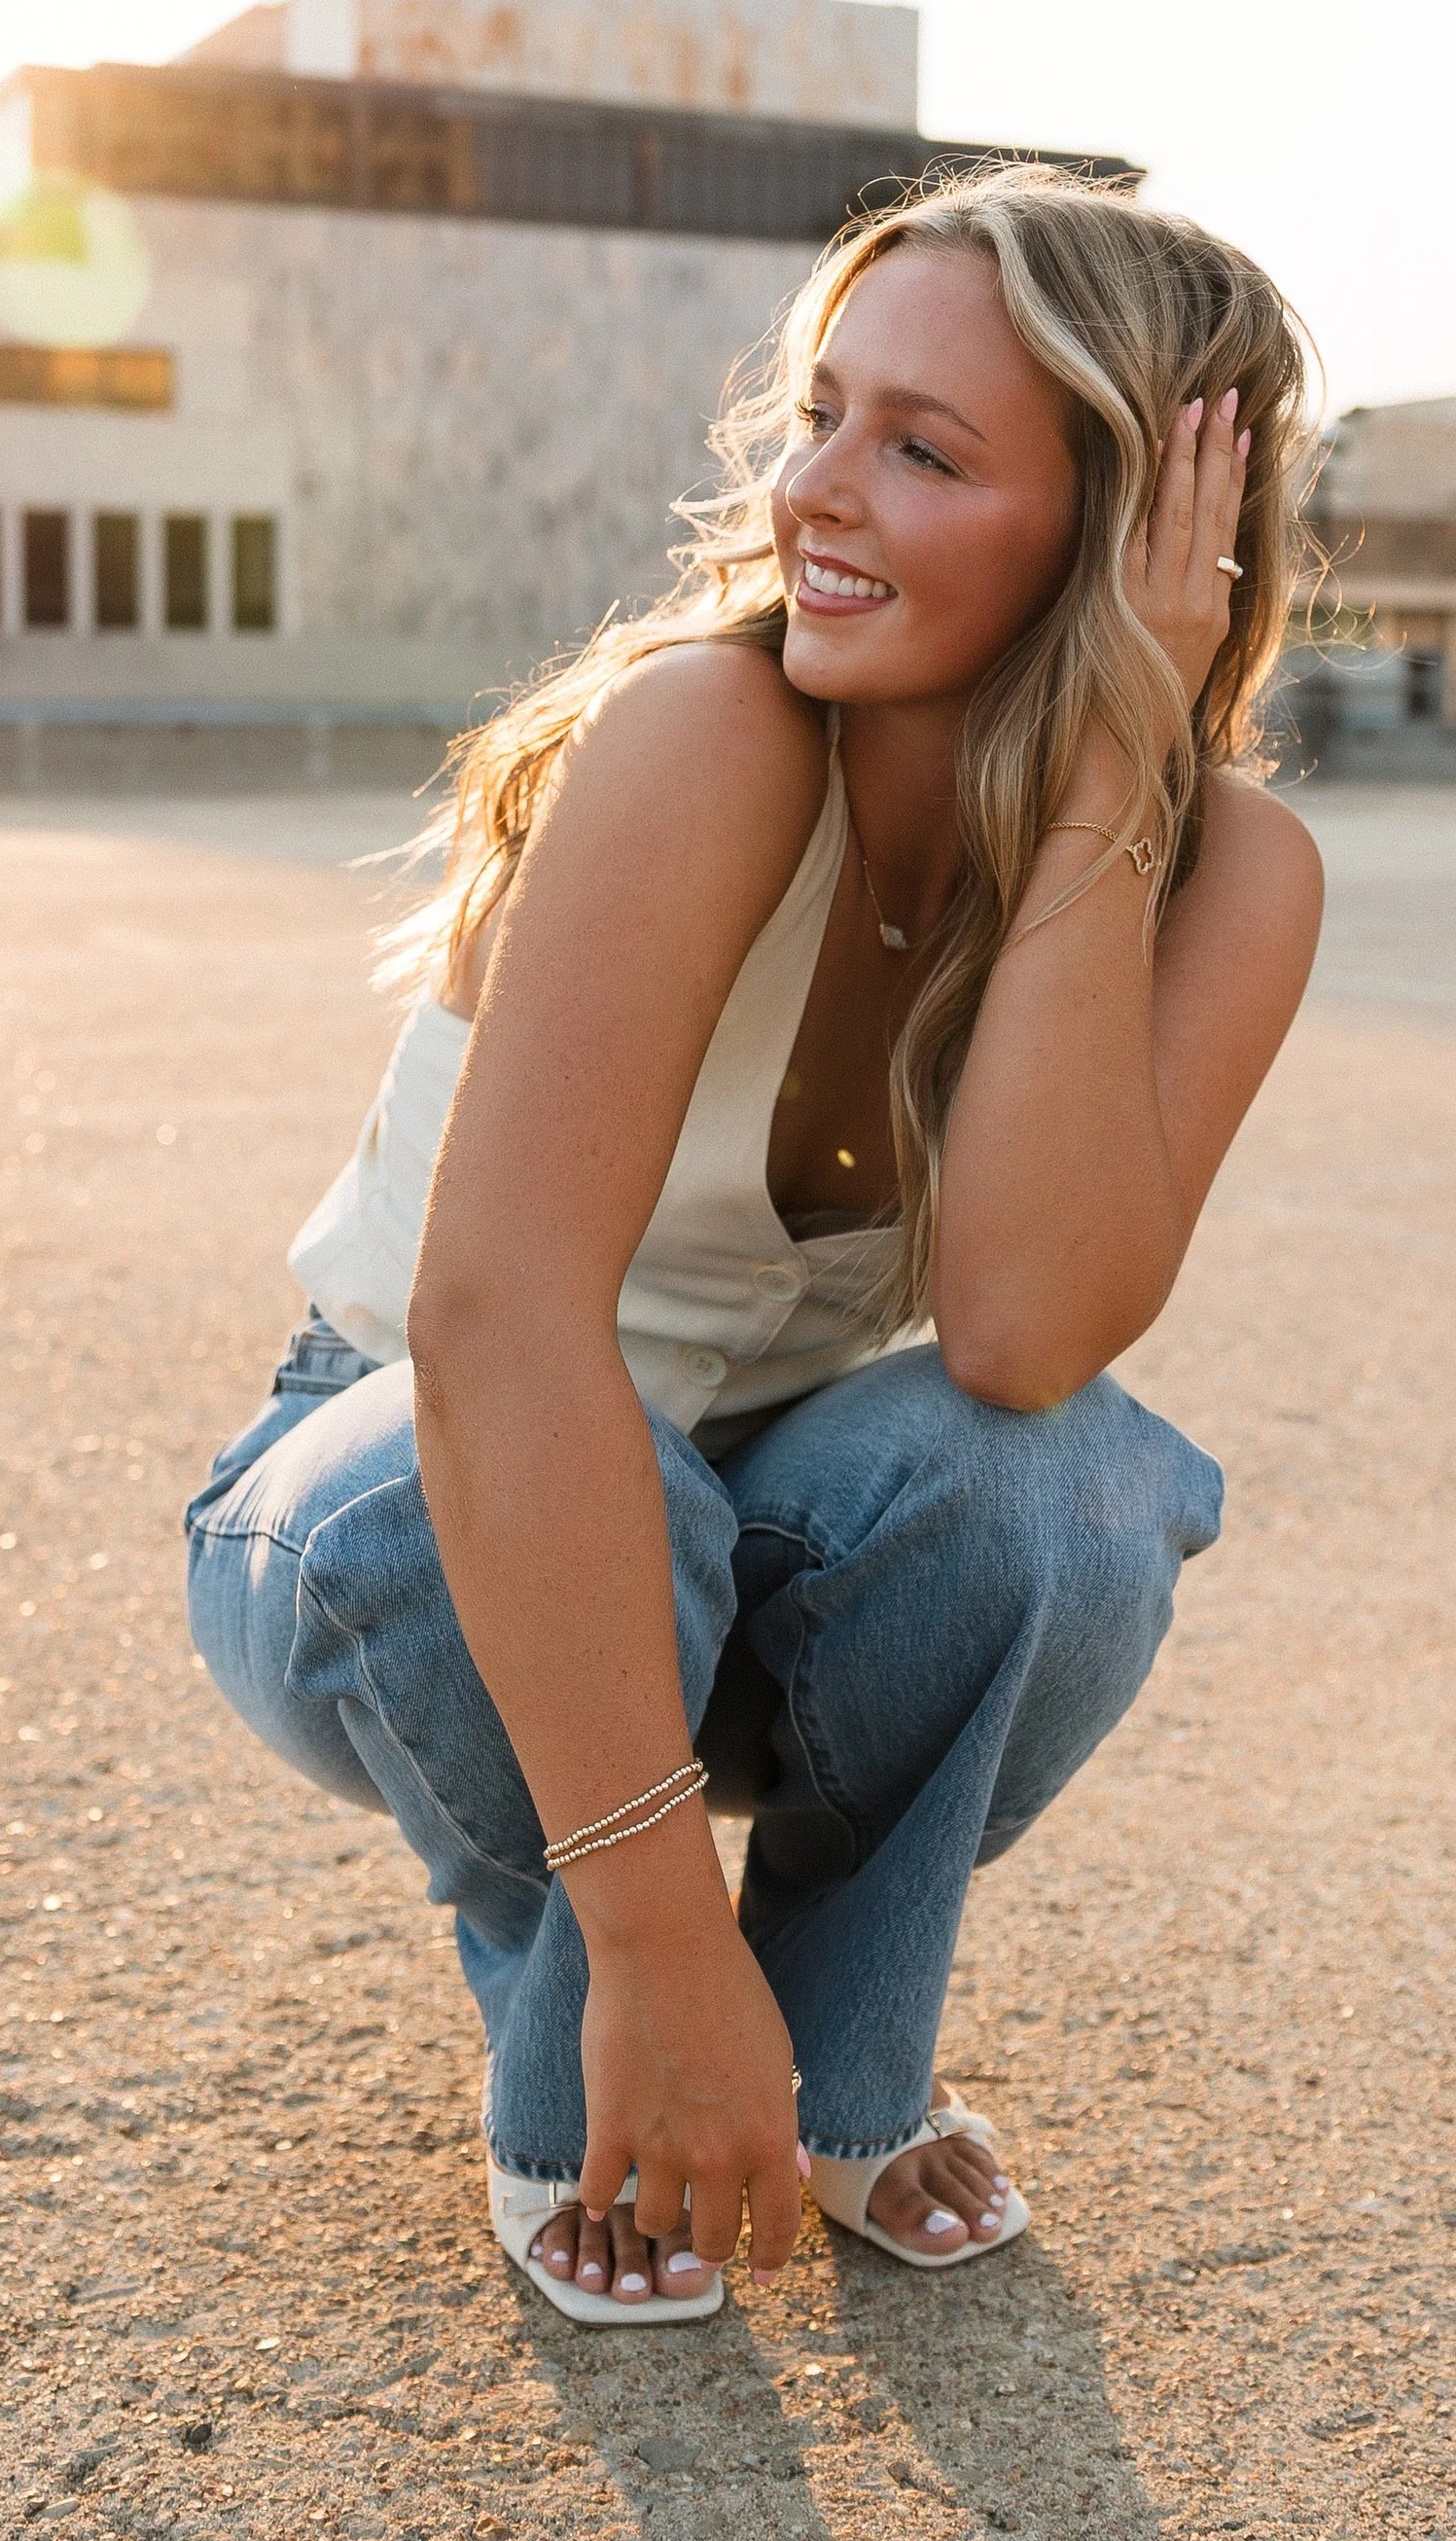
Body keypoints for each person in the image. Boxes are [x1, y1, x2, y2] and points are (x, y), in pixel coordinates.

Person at [184, 159, 1323, 2325]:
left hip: (754, 1514)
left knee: (1065, 1479)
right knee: (543, 1448)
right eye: (821, 411)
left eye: (921, 449)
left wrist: (1099, 801)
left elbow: (1012, 1335)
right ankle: (606, 2070)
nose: (816, 488)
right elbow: (493, 1324)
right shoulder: (703, 738)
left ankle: (835, 2082)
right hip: (395, 1486)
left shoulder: (1226, 876)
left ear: (1115, 535)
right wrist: (652, 1942)